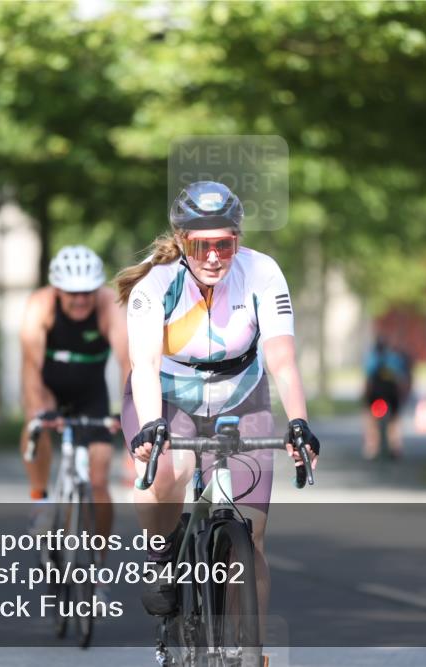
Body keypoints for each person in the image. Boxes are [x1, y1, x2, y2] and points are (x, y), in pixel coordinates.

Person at [116, 180, 320, 618]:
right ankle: (161, 559)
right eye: (201, 245)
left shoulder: (262, 273)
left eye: (224, 246)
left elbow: (282, 360)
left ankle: (249, 651)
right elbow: (146, 364)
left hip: (241, 396)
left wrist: (299, 423)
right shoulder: (156, 282)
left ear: (237, 241)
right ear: (181, 241)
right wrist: (153, 426)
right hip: (169, 395)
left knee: (254, 533)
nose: (213, 256)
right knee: (171, 468)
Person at [19, 245, 129, 557]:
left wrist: (131, 415)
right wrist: (40, 411)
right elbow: (30, 368)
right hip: (47, 386)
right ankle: (40, 499)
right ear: (56, 289)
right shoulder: (39, 306)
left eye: (87, 292)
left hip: (90, 393)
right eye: (72, 293)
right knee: (34, 424)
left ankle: (99, 568)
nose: (81, 299)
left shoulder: (110, 305)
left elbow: (128, 363)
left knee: (99, 480)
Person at [362, 336, 408, 460]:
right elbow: (401, 381)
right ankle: (396, 447)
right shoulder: (394, 359)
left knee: (370, 419)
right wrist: (402, 397)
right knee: (394, 419)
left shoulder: (371, 358)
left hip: (375, 395)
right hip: (391, 395)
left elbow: (368, 381)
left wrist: (365, 397)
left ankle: (371, 447)